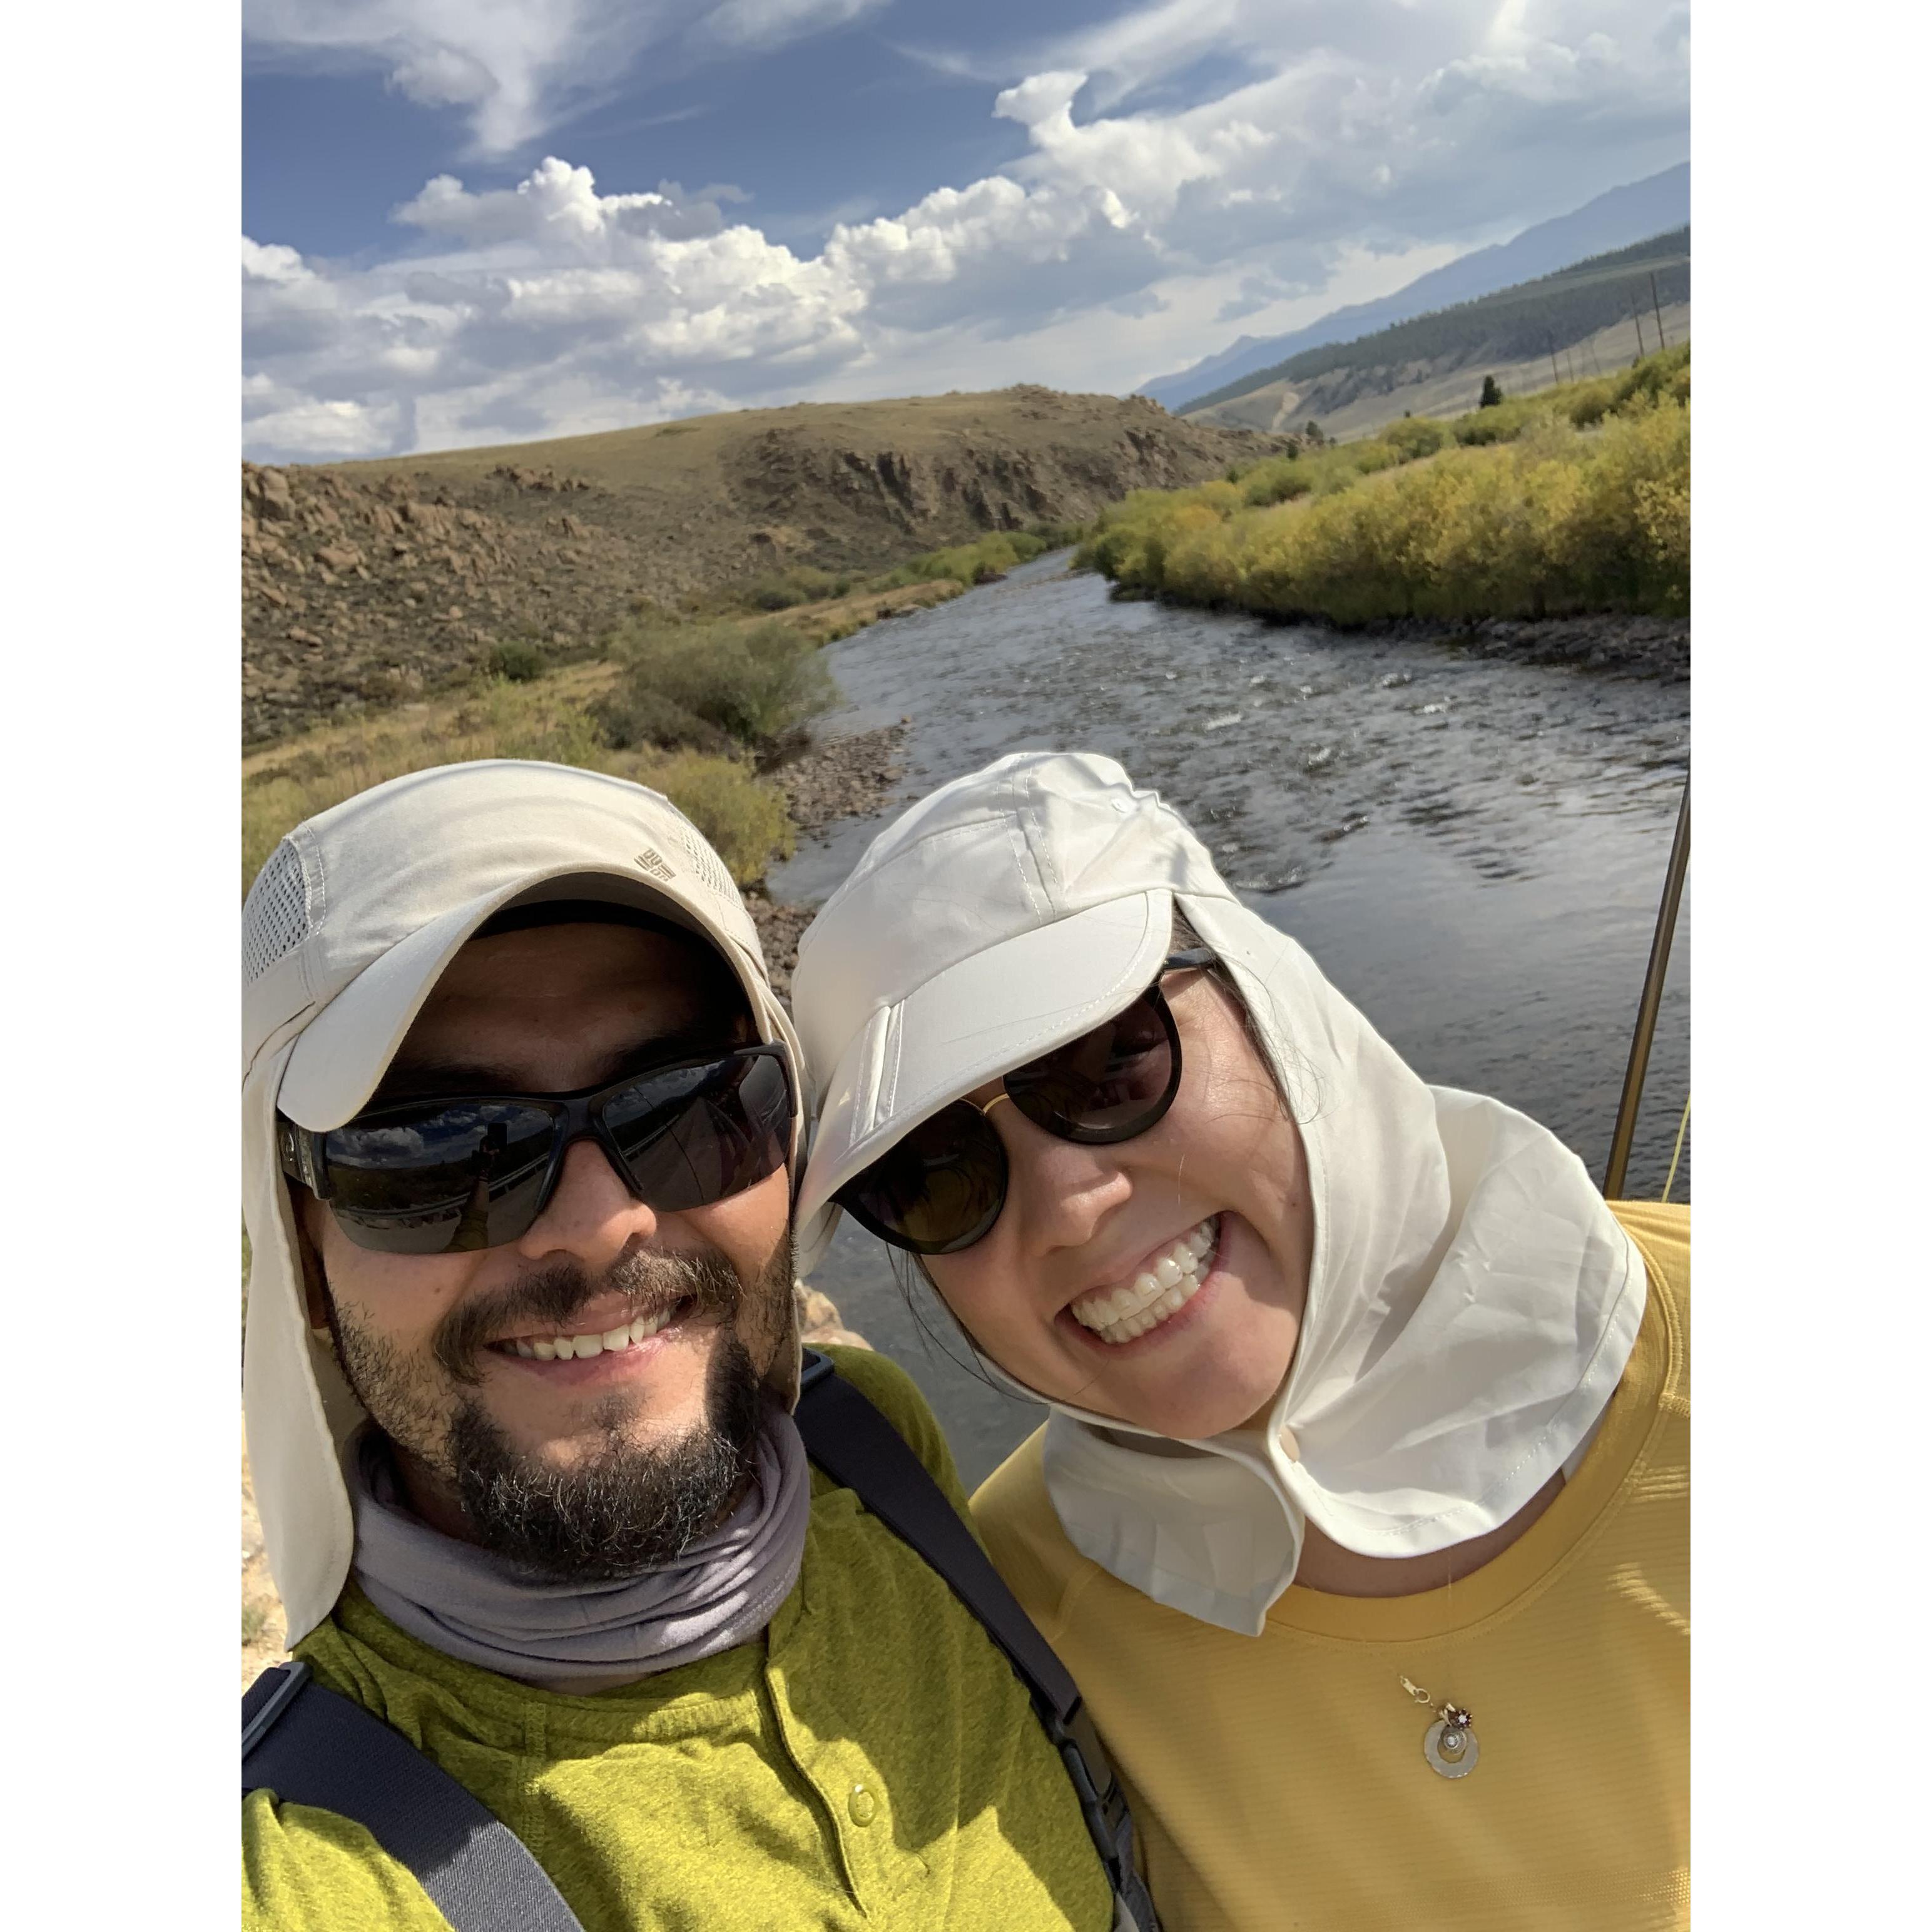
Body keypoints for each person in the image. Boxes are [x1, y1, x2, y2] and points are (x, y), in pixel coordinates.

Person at [240, 758, 1151, 1932]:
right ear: (302, 1249)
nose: (598, 1225)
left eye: (688, 1109)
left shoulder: (871, 1454)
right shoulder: (293, 1871)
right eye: (439, 1155)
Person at [793, 750, 1689, 1932]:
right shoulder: (1020, 1613)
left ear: (1275, 1001)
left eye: (1109, 1058)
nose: (1067, 1205)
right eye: (931, 1177)